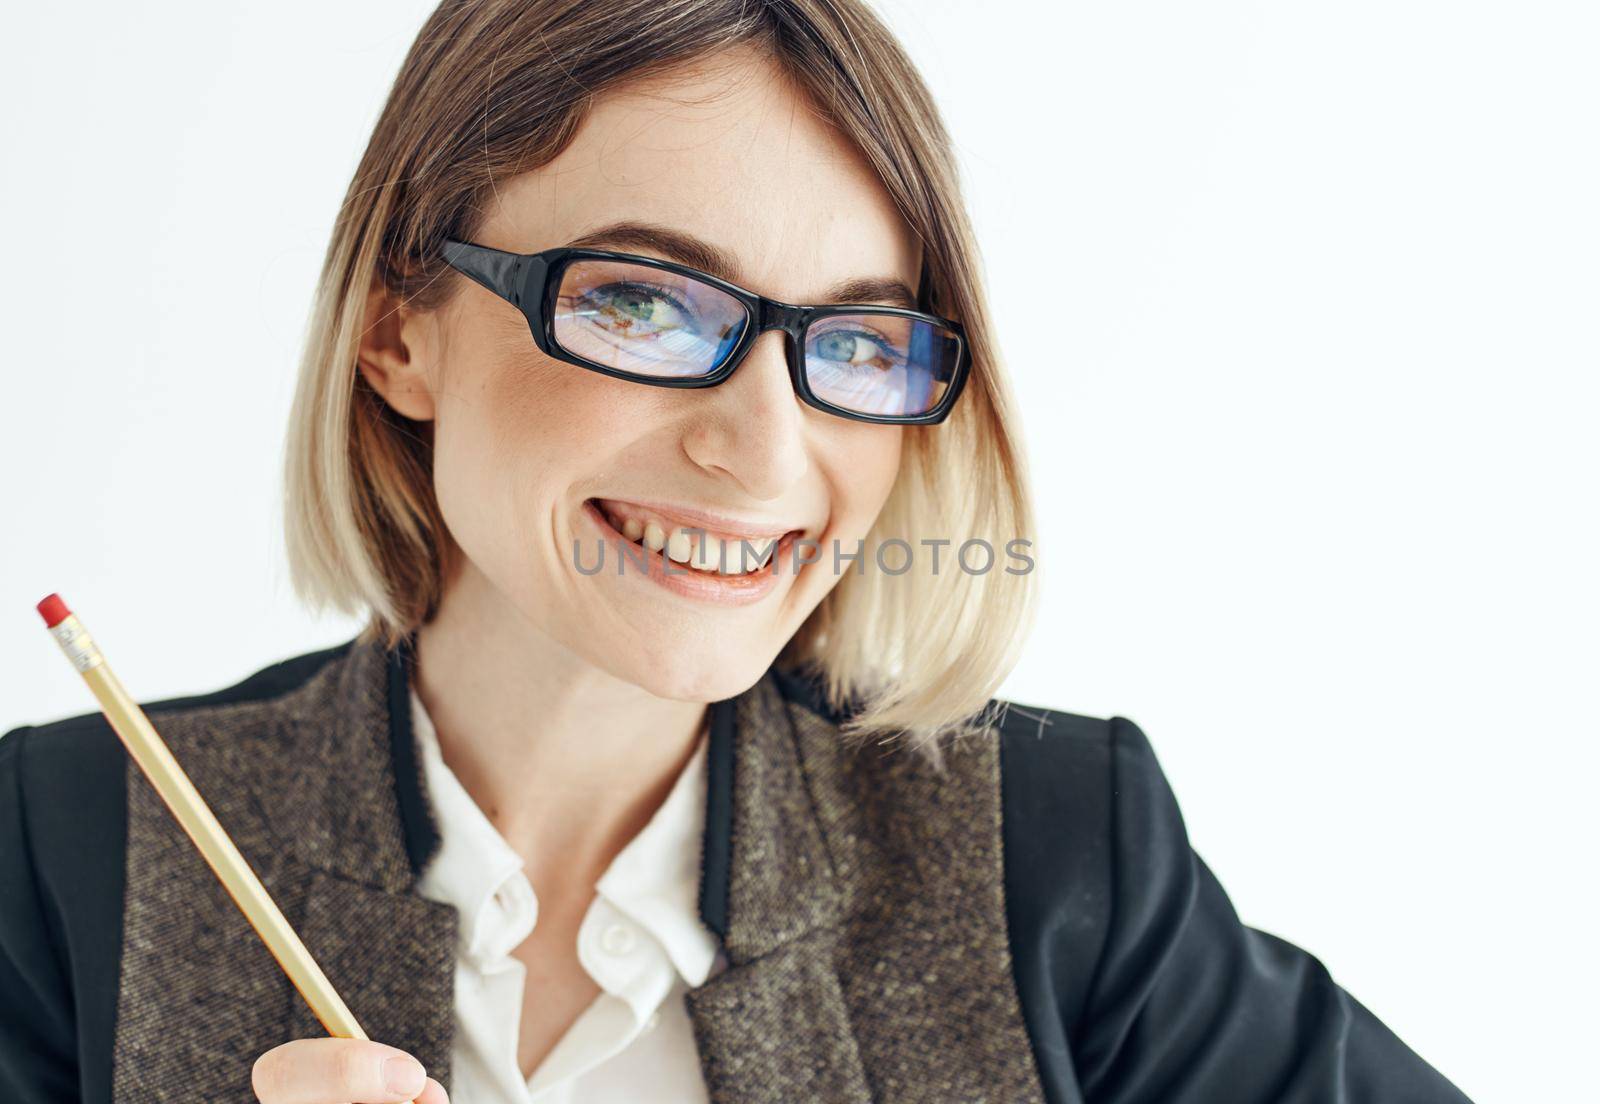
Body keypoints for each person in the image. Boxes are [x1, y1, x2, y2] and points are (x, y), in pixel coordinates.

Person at [0, 1, 1475, 1101]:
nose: (767, 454)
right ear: (400, 330)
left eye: (857, 340)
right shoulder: (64, 855)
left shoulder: (1063, 858)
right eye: (646, 306)